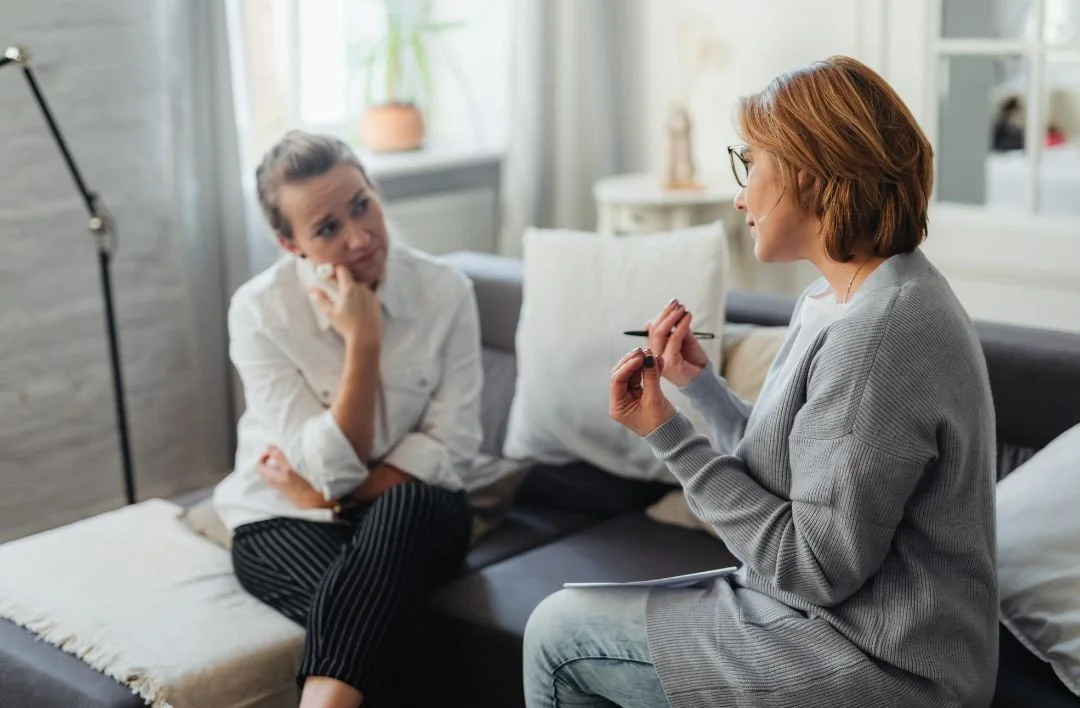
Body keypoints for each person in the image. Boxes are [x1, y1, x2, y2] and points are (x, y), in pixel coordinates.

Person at [523, 55, 998, 708]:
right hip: (834, 627)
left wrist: (667, 435)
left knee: (558, 635)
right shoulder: (847, 297)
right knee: (569, 616)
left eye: (751, 163)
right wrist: (700, 389)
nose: (741, 194)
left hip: (888, 666)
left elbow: (812, 567)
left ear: (810, 169)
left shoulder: (880, 337)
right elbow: (802, 473)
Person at [213, 131, 483, 708]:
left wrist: (328, 498)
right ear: (292, 246)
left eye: (361, 204)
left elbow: (454, 448)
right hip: (283, 517)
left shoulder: (446, 291)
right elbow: (335, 470)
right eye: (328, 229)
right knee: (390, 629)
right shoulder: (259, 313)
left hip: (418, 510)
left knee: (407, 508)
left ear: (375, 188)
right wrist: (362, 342)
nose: (360, 238)